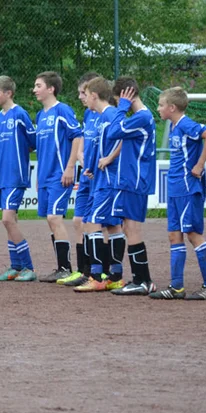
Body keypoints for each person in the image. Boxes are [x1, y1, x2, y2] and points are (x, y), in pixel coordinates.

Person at [153, 86, 206, 300]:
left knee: (192, 234)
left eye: (161, 105)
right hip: (174, 189)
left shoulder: (186, 125)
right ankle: (176, 287)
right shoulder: (174, 127)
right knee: (174, 235)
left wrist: (199, 165)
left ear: (172, 108)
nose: (158, 108)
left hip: (187, 188)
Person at [105, 77, 157, 296]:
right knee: (128, 227)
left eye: (118, 100)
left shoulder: (142, 117)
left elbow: (112, 132)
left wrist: (122, 108)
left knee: (132, 228)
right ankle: (143, 280)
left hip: (135, 180)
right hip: (132, 179)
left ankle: (142, 280)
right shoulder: (140, 117)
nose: (118, 105)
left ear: (126, 95)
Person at [73, 76, 126, 292]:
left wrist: (110, 158)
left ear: (94, 95)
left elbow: (124, 137)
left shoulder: (111, 114)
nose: (83, 98)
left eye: (85, 94)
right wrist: (92, 167)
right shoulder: (100, 116)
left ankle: (96, 275)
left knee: (92, 222)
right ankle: (116, 274)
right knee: (112, 225)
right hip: (100, 178)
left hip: (110, 180)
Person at [32, 71, 83, 283]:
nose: (34, 90)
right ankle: (61, 266)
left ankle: (66, 267)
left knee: (55, 217)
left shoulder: (62, 110)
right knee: (50, 220)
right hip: (44, 176)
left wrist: (70, 167)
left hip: (60, 174)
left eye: (38, 86)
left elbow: (77, 136)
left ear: (51, 89)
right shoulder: (40, 115)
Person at [0, 75, 38, 282]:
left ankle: (28, 267)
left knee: (7, 219)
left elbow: (33, 141)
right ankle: (15, 266)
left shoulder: (20, 114)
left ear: (8, 93)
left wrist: (18, 156)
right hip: (0, 176)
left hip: (15, 175)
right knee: (10, 221)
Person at [58, 73, 100, 287]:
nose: (80, 97)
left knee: (97, 225)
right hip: (85, 175)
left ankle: (101, 270)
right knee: (78, 221)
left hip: (98, 177)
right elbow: (83, 139)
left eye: (83, 93)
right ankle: (83, 270)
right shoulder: (88, 114)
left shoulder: (105, 114)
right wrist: (80, 157)